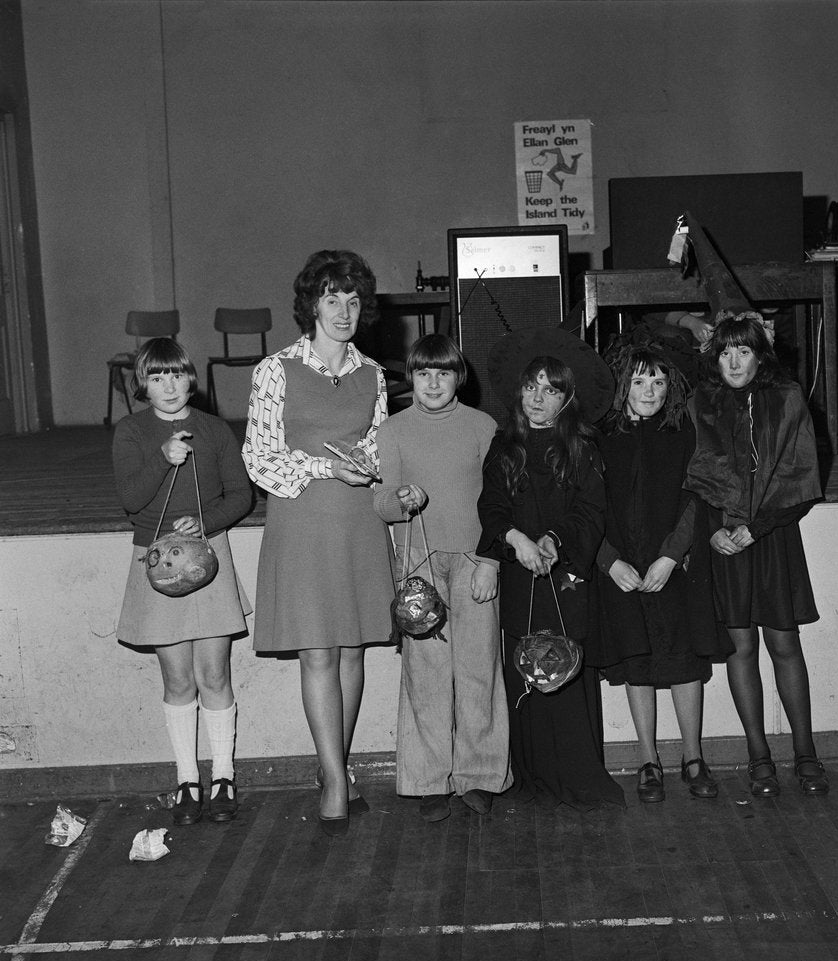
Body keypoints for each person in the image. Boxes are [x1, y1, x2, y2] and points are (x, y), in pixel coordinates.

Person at [242, 249, 393, 835]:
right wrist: (328, 469)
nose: (344, 311)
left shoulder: (374, 374)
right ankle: (332, 778)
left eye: (354, 300)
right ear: (311, 305)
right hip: (303, 521)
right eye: (332, 298)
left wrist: (369, 466)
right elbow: (261, 458)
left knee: (353, 649)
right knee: (319, 652)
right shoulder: (275, 370)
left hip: (359, 522)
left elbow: (380, 447)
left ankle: (340, 768)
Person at [477, 327, 624, 812]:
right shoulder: (503, 447)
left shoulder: (583, 449)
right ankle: (533, 776)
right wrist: (515, 539)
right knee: (524, 671)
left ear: (566, 400)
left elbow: (590, 511)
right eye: (531, 387)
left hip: (567, 577)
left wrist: (553, 541)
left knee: (566, 668)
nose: (538, 398)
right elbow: (492, 507)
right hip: (520, 573)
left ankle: (578, 777)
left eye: (551, 390)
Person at [683, 311, 828, 797]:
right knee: (740, 647)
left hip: (772, 538)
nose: (733, 360)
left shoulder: (786, 399)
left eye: (743, 350)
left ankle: (805, 752)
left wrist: (757, 528)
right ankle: (758, 754)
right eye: (725, 351)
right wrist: (713, 534)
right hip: (724, 541)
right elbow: (695, 480)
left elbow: (803, 480)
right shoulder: (702, 403)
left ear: (760, 353)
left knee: (785, 644)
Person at [113, 337, 252, 826]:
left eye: (175, 375)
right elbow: (131, 500)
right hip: (155, 564)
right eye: (156, 377)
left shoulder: (214, 430)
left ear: (190, 378)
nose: (168, 386)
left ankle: (224, 776)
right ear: (143, 385)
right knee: (177, 678)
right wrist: (163, 457)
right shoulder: (130, 431)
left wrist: (206, 519)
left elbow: (241, 495)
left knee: (214, 675)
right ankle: (187, 779)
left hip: (207, 558)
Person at [373, 334, 511, 822]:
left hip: (475, 560)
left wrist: (492, 561)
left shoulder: (484, 426)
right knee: (425, 674)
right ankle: (429, 778)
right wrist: (400, 499)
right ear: (410, 377)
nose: (433, 383)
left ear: (459, 377)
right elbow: (383, 503)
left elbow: (501, 503)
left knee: (478, 669)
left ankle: (480, 773)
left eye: (444, 373)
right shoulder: (392, 430)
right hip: (419, 563)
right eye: (424, 373)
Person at [591, 337, 731, 804]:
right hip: (622, 569)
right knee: (638, 662)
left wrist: (671, 556)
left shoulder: (681, 431)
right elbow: (584, 507)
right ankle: (649, 760)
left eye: (658, 379)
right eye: (638, 380)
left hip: (674, 566)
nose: (649, 390)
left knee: (684, 660)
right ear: (621, 385)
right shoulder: (600, 437)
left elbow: (695, 497)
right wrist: (610, 562)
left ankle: (693, 756)